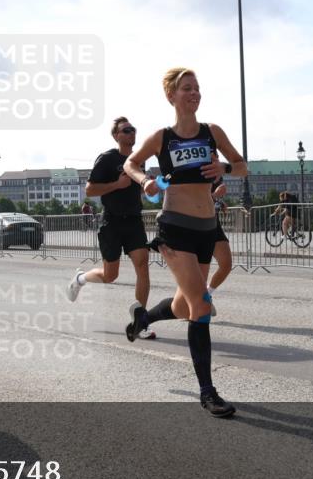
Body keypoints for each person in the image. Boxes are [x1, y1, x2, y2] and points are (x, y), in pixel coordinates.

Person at [123, 67, 247, 418]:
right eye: (186, 89)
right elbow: (131, 163)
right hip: (174, 228)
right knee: (202, 304)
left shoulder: (212, 133)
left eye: (197, 88)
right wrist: (144, 179)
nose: (194, 93)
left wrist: (224, 168)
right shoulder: (162, 137)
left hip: (207, 228)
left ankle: (142, 319)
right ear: (171, 97)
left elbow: (242, 166)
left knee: (182, 307)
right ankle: (208, 392)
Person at [67, 116, 155, 339]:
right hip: (112, 222)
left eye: (133, 129)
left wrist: (148, 186)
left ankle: (139, 322)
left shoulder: (138, 160)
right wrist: (117, 184)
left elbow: (137, 190)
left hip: (134, 220)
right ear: (116, 136)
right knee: (110, 275)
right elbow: (89, 190)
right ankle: (80, 279)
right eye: (126, 130)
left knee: (143, 266)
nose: (131, 133)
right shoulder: (107, 159)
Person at [207, 181, 232, 313]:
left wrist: (219, 202)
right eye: (214, 157)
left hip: (214, 225)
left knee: (226, 264)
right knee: (197, 273)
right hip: (195, 226)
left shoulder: (216, 173)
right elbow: (190, 199)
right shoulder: (194, 169)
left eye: (217, 157)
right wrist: (214, 195)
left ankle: (207, 293)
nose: (217, 159)